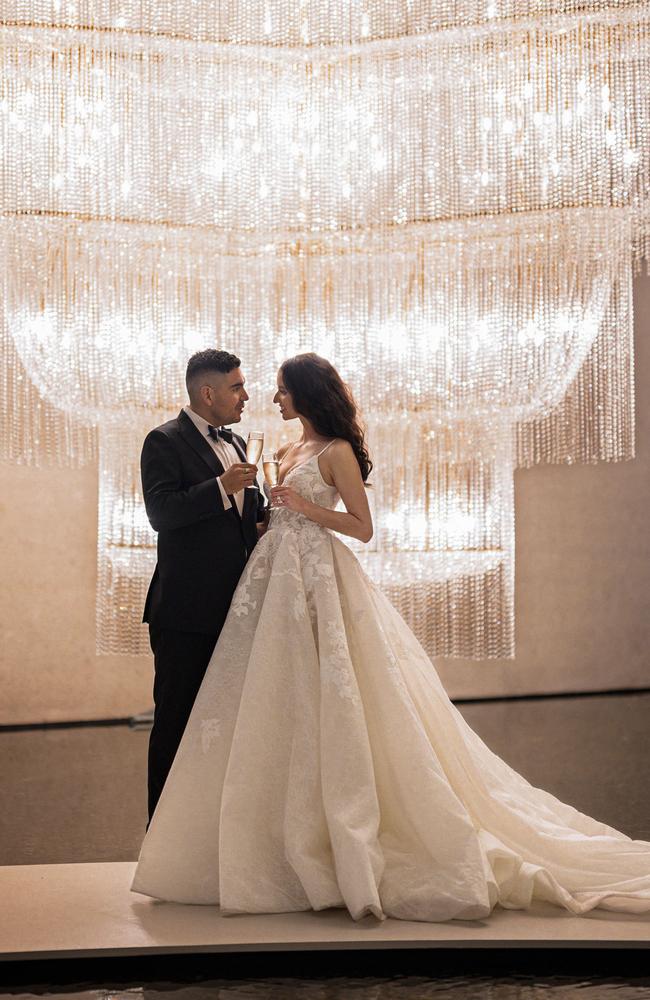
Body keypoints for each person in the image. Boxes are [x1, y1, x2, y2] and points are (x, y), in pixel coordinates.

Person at [132, 353, 650, 922]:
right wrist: (261, 514)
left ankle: (323, 839)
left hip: (312, 583)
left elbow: (362, 526)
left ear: (304, 394)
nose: (261, 397)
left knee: (330, 701)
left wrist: (297, 508)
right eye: (242, 388)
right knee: (240, 713)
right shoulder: (253, 449)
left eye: (277, 390)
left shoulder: (331, 452)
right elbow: (202, 516)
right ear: (208, 395)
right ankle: (202, 840)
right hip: (250, 595)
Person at [140, 349, 265, 824]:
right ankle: (162, 839)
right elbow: (161, 513)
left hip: (237, 610)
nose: (246, 396)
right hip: (185, 613)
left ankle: (211, 837)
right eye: (237, 387)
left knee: (228, 727)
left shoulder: (236, 442)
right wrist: (220, 486)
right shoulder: (163, 441)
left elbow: (243, 523)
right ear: (207, 392)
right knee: (176, 725)